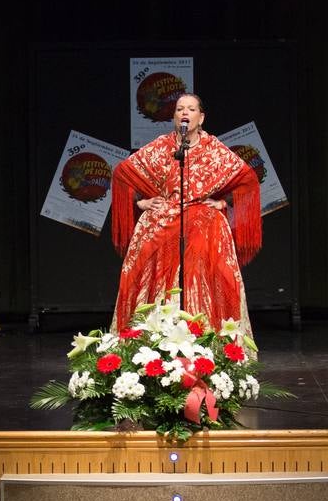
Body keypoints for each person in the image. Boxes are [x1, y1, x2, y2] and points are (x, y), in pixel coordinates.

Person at [110, 93, 261, 338]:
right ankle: (154, 340)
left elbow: (247, 180)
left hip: (201, 223)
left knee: (206, 277)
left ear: (201, 118)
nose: (184, 113)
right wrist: (143, 202)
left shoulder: (214, 150)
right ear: (174, 117)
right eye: (180, 109)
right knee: (149, 277)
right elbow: (122, 174)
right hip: (163, 221)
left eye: (191, 109)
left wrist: (223, 203)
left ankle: (207, 339)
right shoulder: (161, 147)